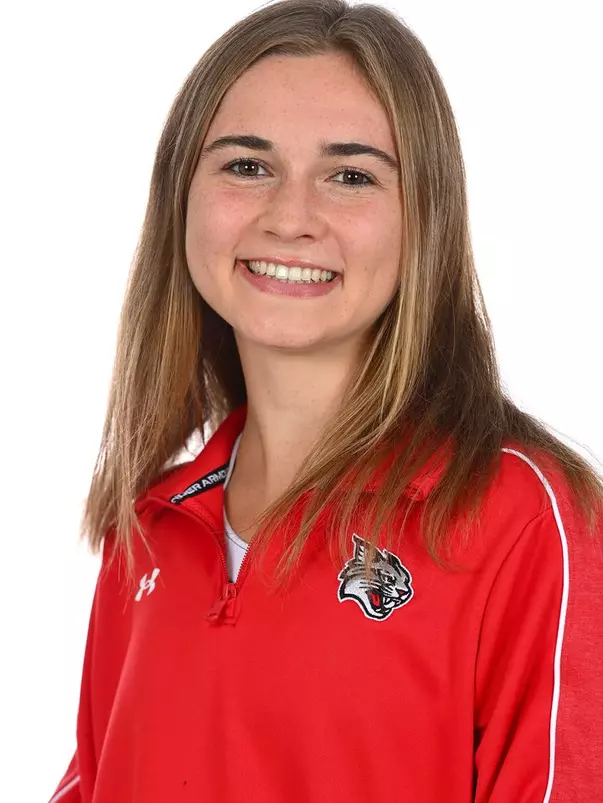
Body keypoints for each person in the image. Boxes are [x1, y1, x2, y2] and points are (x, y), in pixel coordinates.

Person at [48, 1, 603, 801]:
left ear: (426, 222)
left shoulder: (521, 518)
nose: (289, 217)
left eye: (350, 175)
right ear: (181, 197)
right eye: (246, 165)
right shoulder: (149, 527)